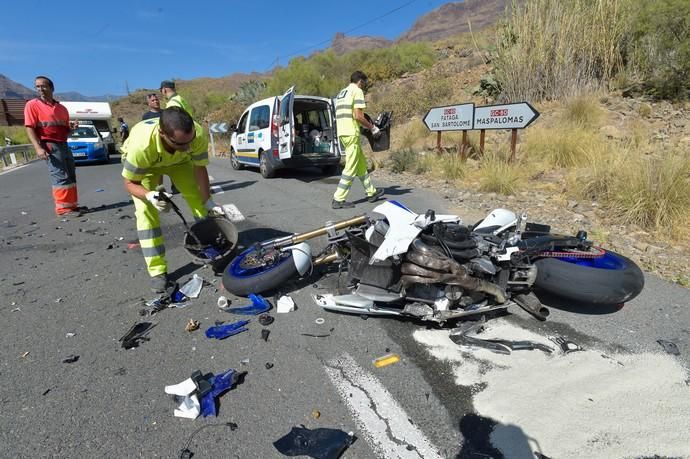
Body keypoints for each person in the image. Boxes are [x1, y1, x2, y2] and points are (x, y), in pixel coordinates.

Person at [120, 106, 223, 293]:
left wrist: (207, 200)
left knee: (198, 200)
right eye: (180, 144)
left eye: (190, 142)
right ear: (162, 133)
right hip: (147, 166)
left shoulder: (196, 136)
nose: (188, 147)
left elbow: (200, 168)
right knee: (145, 213)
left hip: (180, 163)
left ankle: (212, 249)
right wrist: (149, 196)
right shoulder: (141, 147)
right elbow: (129, 183)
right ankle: (157, 271)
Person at [24, 75, 83, 218]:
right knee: (60, 176)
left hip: (63, 143)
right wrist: (38, 147)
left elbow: (65, 130)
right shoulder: (32, 105)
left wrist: (72, 128)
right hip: (49, 144)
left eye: (43, 86)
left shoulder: (61, 108)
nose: (40, 89)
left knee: (70, 174)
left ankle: (72, 205)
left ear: (51, 88)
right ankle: (63, 209)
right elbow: (29, 127)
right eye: (37, 86)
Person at [331, 70, 384, 209]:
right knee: (351, 167)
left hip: (342, 133)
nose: (364, 86)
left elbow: (347, 115)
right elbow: (358, 116)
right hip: (351, 133)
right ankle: (338, 199)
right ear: (360, 81)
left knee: (361, 165)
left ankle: (371, 192)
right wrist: (372, 128)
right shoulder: (357, 91)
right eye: (364, 83)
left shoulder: (342, 93)